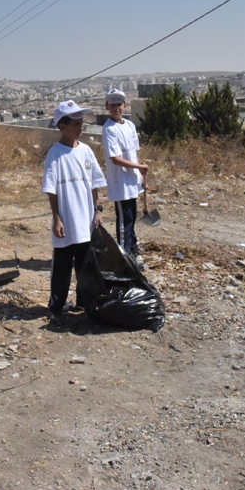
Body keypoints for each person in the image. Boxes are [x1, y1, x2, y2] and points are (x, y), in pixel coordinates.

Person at [41, 100, 106, 322]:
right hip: (67, 222)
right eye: (76, 124)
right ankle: (56, 306)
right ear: (63, 127)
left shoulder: (86, 151)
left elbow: (94, 183)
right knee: (62, 266)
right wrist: (56, 218)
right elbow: (51, 190)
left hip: (85, 220)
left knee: (85, 264)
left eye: (81, 123)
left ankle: (84, 301)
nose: (81, 128)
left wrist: (97, 210)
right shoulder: (55, 154)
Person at [100, 89, 148, 256]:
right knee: (124, 219)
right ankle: (123, 254)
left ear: (124, 105)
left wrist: (141, 176)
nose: (116, 108)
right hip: (120, 181)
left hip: (132, 179)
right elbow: (115, 158)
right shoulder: (109, 129)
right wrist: (139, 168)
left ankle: (132, 245)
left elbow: (134, 153)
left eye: (119, 104)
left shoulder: (129, 126)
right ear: (107, 107)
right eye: (112, 104)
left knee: (132, 216)